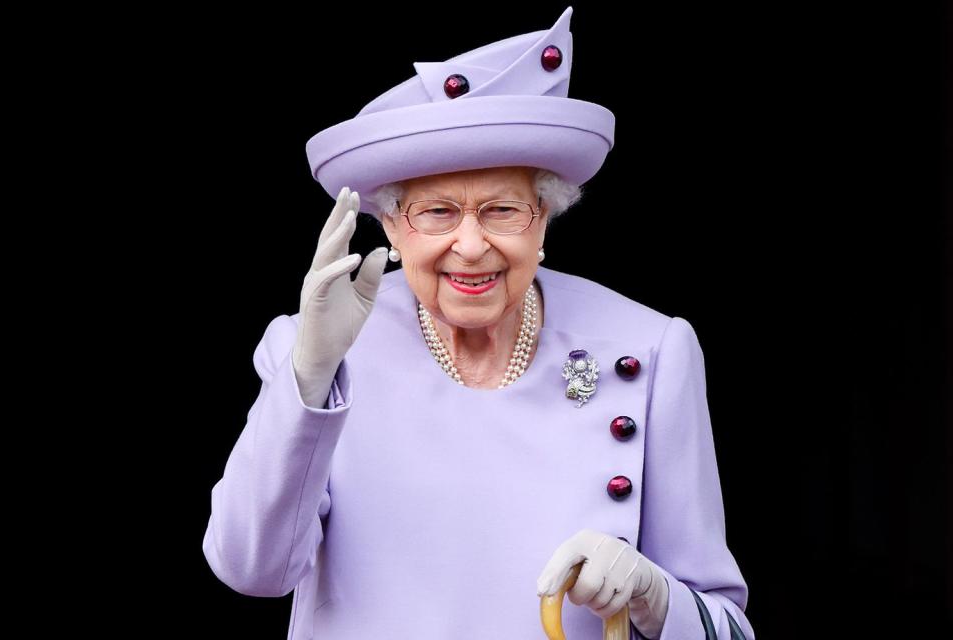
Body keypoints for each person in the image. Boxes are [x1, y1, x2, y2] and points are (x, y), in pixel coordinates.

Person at [202, 7, 755, 639]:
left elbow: (728, 628)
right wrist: (312, 370)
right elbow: (251, 569)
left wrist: (656, 597)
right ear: (390, 225)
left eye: (501, 210)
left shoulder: (650, 348)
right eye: (437, 212)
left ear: (544, 216)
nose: (470, 245)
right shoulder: (312, 352)